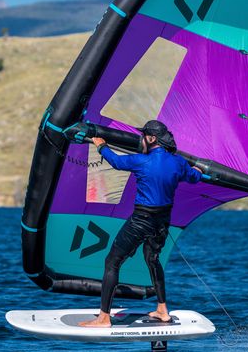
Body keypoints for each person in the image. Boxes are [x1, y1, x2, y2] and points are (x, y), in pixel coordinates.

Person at [79, 120, 202, 328]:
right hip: (162, 222)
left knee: (112, 262)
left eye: (143, 136)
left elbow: (117, 162)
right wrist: (198, 169)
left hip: (141, 220)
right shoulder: (179, 163)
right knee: (152, 259)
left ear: (152, 139)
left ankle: (103, 318)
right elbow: (194, 176)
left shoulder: (141, 161)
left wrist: (101, 146)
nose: (141, 140)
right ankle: (162, 309)